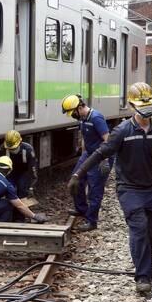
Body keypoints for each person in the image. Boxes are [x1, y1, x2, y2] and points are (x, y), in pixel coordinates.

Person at [67, 82, 152, 295]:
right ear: (132, 106)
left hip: (150, 188)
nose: (147, 108)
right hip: (129, 189)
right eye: (143, 104)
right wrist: (79, 174)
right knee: (139, 228)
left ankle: (148, 270)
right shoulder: (122, 131)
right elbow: (100, 153)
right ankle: (142, 277)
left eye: (150, 104)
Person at [61, 94, 113, 233]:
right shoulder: (83, 119)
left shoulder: (96, 118)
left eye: (72, 113)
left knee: (95, 189)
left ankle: (92, 221)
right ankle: (81, 209)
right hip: (88, 154)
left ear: (79, 107)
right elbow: (85, 138)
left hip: (100, 156)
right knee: (76, 180)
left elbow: (107, 139)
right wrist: (82, 156)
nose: (72, 116)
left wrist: (105, 160)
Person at [0, 130, 38, 198]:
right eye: (10, 149)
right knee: (9, 189)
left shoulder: (28, 150)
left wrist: (31, 187)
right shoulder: (3, 149)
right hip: (10, 171)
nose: (12, 150)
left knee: (22, 187)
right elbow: (0, 169)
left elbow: (32, 169)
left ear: (20, 143)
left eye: (14, 148)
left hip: (24, 171)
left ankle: (22, 203)